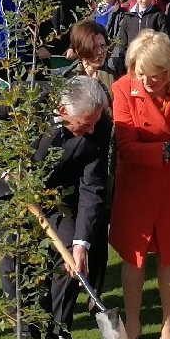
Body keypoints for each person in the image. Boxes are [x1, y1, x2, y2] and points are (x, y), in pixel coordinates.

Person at [0, 76, 111, 339]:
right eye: (85, 123)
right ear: (64, 111)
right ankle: (27, 335)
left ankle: (59, 332)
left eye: (94, 122)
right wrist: (4, 169)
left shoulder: (100, 124)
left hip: (57, 193)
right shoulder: (24, 99)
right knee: (15, 261)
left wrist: (82, 245)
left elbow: (93, 186)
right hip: (12, 191)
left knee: (68, 254)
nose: (91, 129)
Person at [110, 31, 170, 339]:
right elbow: (125, 146)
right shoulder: (122, 89)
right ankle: (133, 322)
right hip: (137, 184)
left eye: (155, 76)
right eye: (140, 74)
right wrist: (166, 149)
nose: (147, 81)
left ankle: (169, 323)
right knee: (134, 256)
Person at [57, 21, 116, 295]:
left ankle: (97, 290)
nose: (101, 51)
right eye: (95, 46)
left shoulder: (113, 77)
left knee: (99, 223)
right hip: (77, 164)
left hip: (107, 159)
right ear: (81, 48)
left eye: (104, 45)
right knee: (75, 223)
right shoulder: (67, 78)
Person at [109, 0, 167, 74]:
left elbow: (163, 39)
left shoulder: (157, 16)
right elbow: (122, 41)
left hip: (151, 62)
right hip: (131, 63)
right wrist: (118, 60)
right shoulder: (128, 17)